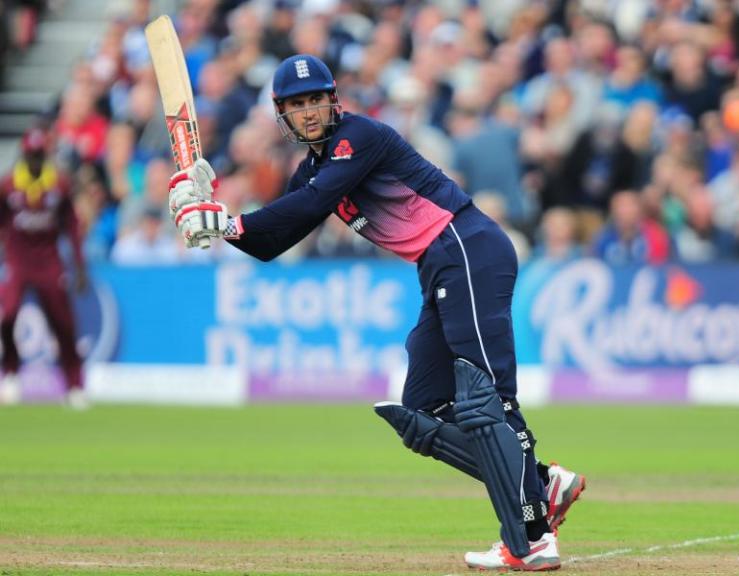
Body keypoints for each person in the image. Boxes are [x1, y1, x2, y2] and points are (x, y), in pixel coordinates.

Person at [167, 54, 586, 571]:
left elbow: (306, 205)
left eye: (316, 98)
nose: (310, 111)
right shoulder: (314, 169)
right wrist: (209, 214)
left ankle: (532, 535)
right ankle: (543, 484)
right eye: (297, 104)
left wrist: (227, 222)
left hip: (467, 247)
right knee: (424, 410)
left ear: (333, 99)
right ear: (283, 114)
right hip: (441, 264)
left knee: (486, 398)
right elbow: (273, 240)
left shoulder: (357, 139)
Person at [0, 128, 89, 409]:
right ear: (24, 155)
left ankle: (74, 385)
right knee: (8, 316)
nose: (36, 161)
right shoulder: (8, 186)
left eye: (40, 155)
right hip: (18, 260)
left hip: (50, 262)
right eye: (31, 155)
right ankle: (11, 374)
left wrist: (79, 267)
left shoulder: (59, 185)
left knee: (63, 324)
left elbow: (72, 228)